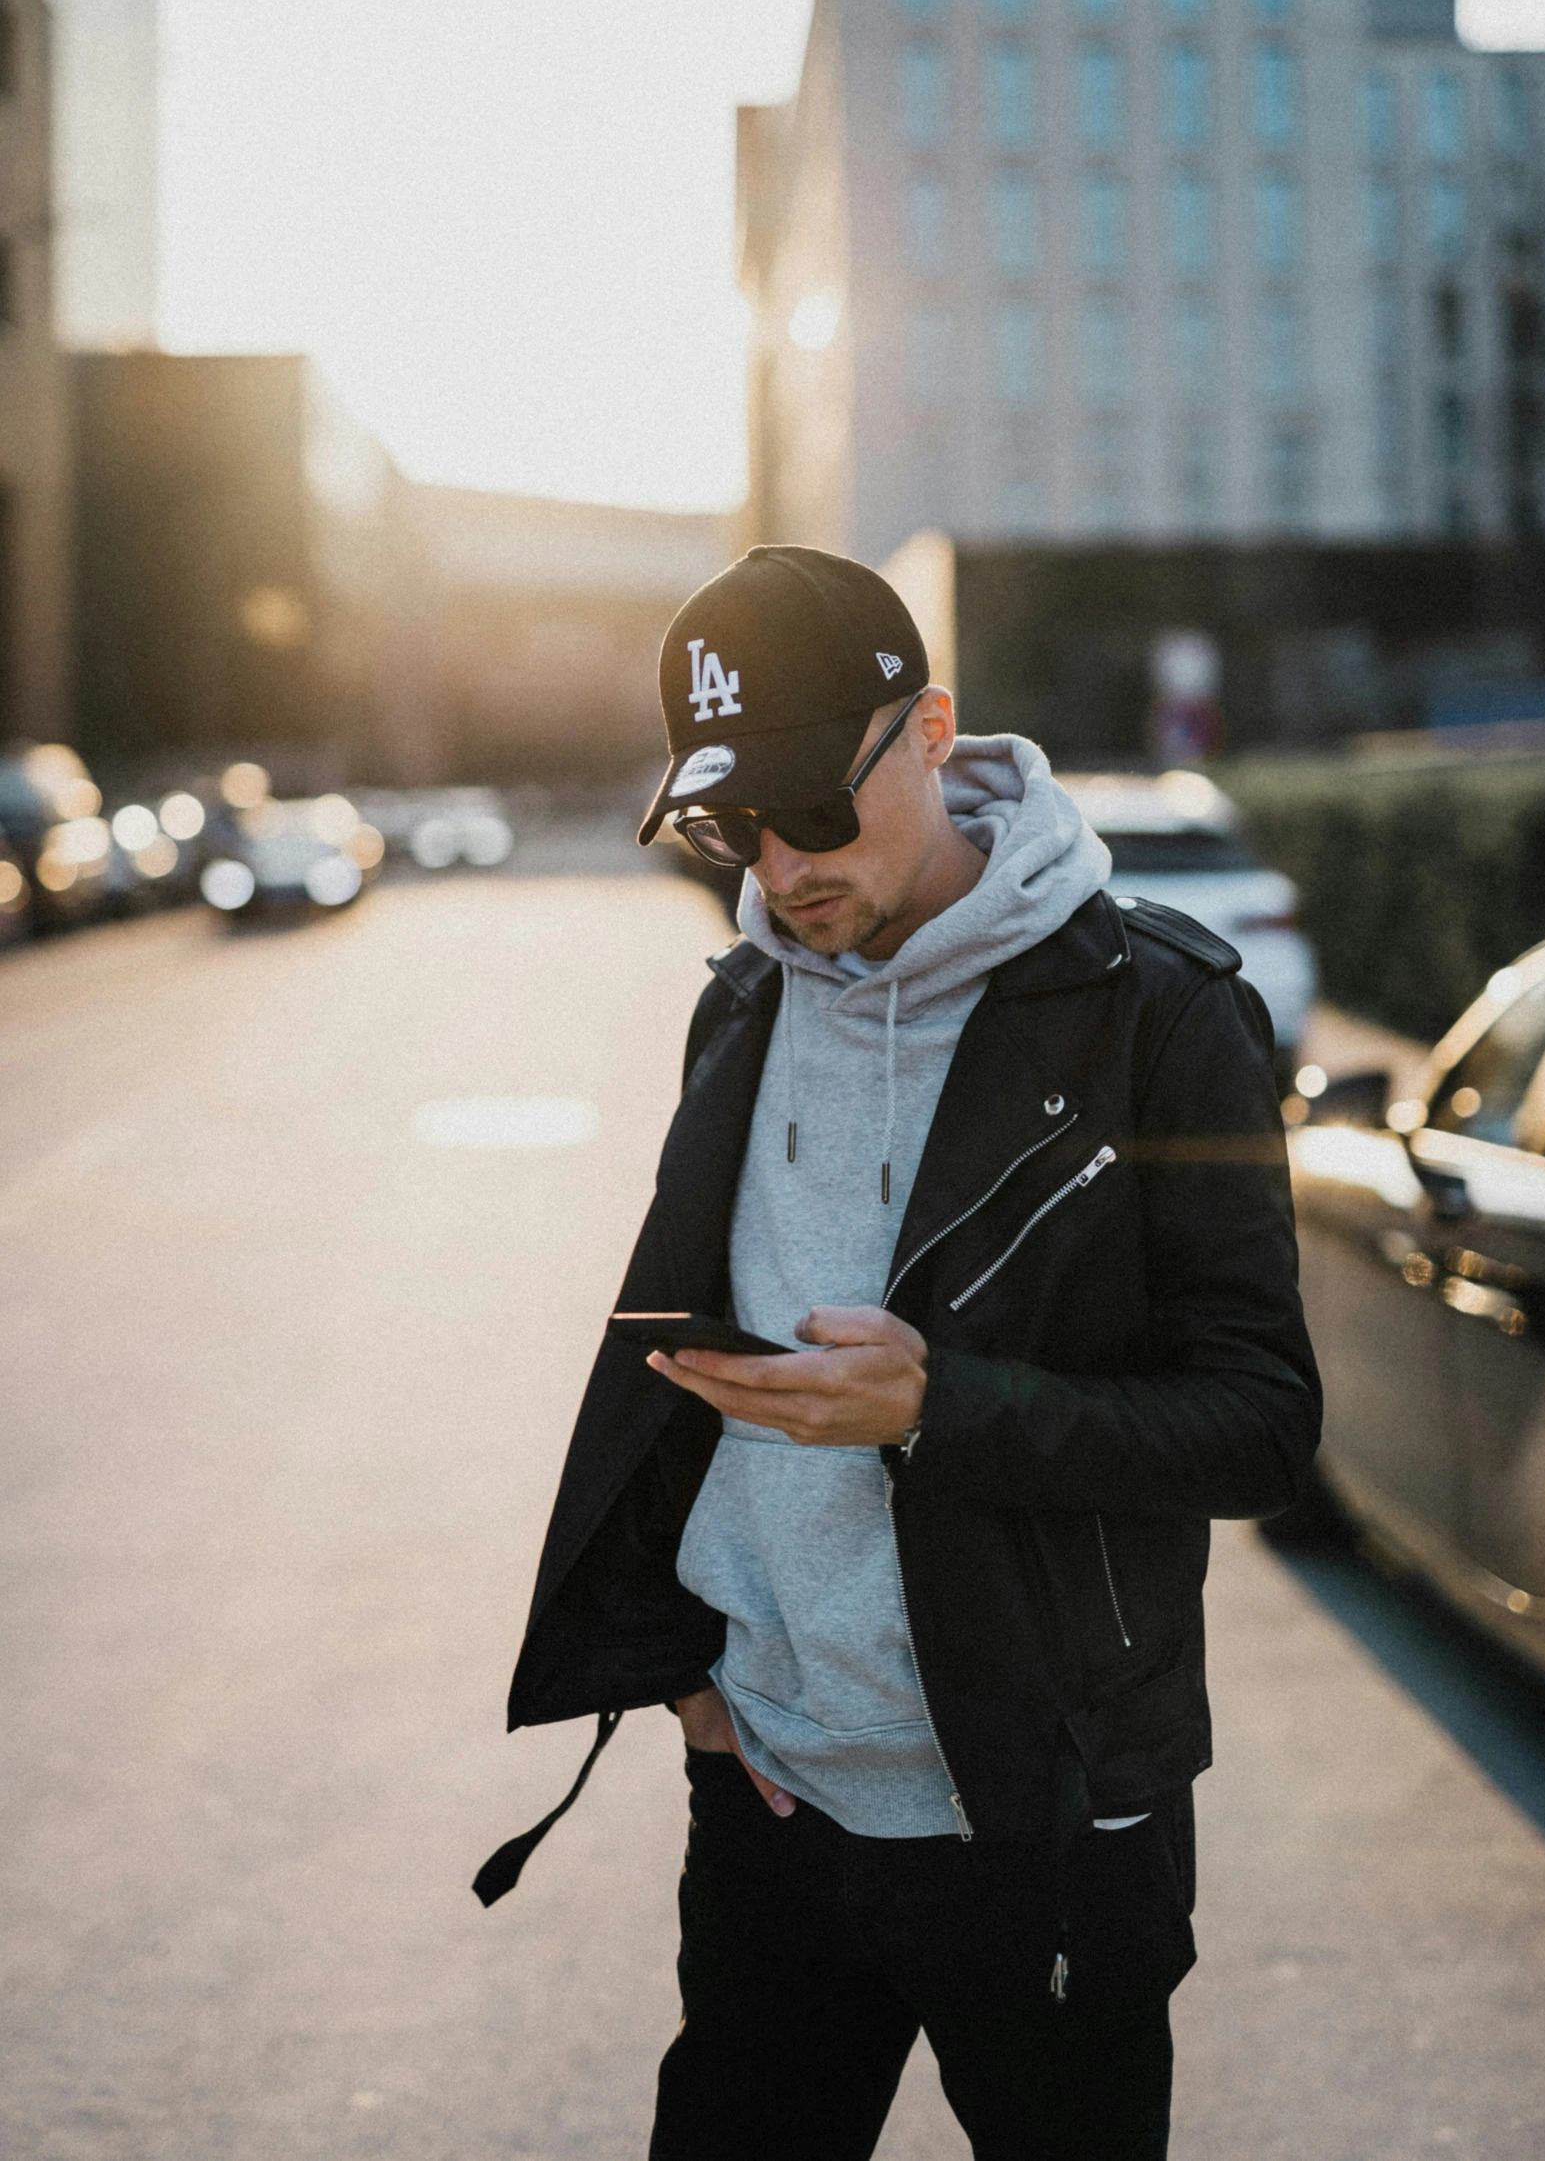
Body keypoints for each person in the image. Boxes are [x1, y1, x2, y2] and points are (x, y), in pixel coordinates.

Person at [475, 545, 1320, 2159]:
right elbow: (684, 1374)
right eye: (734, 822)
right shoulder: (737, 1006)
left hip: (1045, 1819)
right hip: (771, 1801)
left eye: (815, 806)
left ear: (930, 728)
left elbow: (1260, 1423)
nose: (781, 863)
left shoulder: (1154, 1013)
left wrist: (941, 1407)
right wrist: (691, 1681)